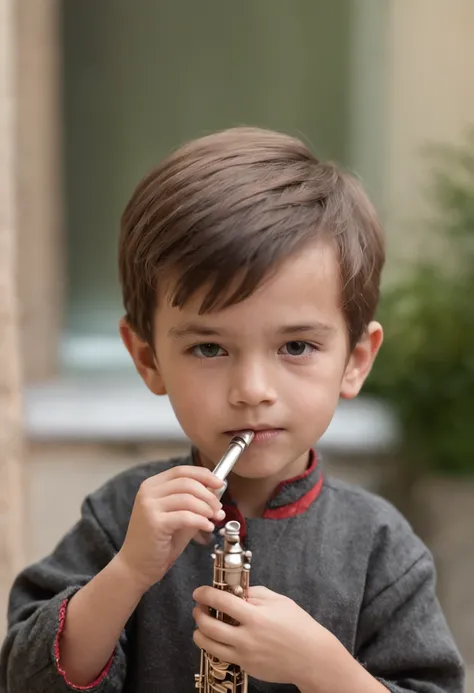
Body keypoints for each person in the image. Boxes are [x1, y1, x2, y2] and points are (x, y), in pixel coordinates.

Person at [0, 127, 465, 693]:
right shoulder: (121, 517)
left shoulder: (380, 546)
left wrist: (324, 669)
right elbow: (27, 678)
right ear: (148, 359)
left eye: (296, 346)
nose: (251, 389)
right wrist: (127, 573)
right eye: (209, 348)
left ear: (355, 360)